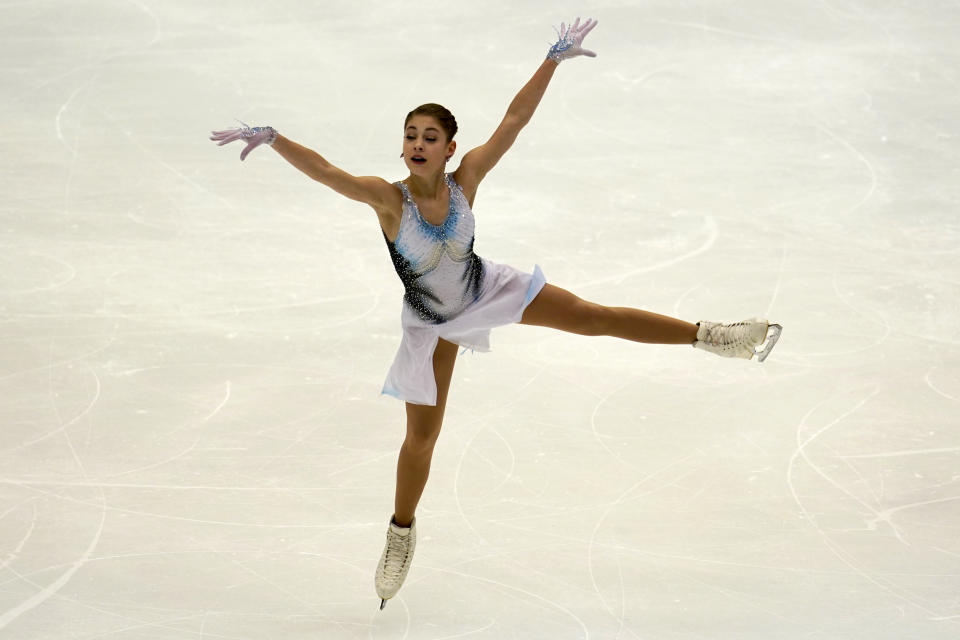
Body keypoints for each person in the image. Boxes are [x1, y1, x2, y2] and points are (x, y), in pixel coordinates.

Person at [210, 17, 782, 611]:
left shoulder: (467, 180)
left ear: (450, 148)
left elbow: (513, 121)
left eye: (430, 136)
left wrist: (551, 61)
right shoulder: (387, 198)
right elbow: (328, 173)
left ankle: (713, 336)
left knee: (592, 317)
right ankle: (401, 532)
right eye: (410, 135)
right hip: (432, 322)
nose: (418, 144)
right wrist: (277, 139)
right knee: (422, 440)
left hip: (486, 289)